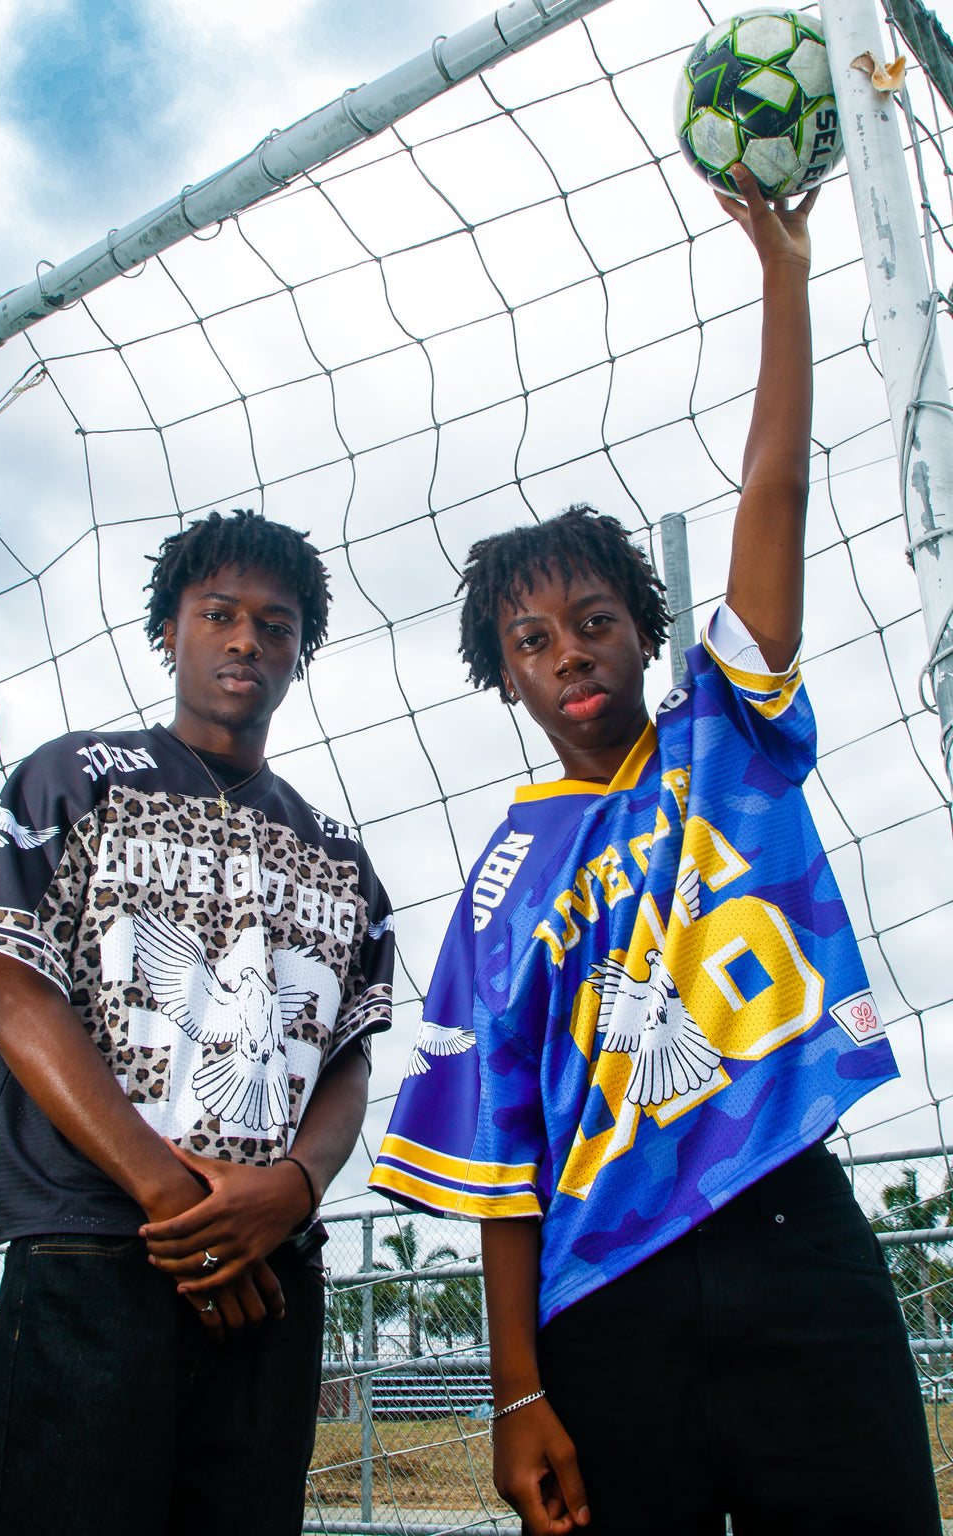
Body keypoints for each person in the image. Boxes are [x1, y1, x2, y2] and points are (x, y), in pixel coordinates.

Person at [370, 169, 940, 1534]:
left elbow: (777, 492)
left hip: (788, 1223)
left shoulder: (721, 741)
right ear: (502, 676)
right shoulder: (505, 883)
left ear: (646, 627)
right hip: (602, 1297)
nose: (568, 651)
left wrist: (785, 276)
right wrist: (516, 1393)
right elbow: (499, 1149)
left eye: (592, 620)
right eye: (532, 640)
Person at [0, 508, 395, 1536]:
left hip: (268, 1270)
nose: (246, 640)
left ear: (299, 653)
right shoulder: (74, 778)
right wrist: (170, 1201)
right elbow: (12, 986)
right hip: (98, 1245)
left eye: (275, 625)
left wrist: (292, 1187)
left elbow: (348, 1063)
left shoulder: (340, 857)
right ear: (170, 630)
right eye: (219, 613)